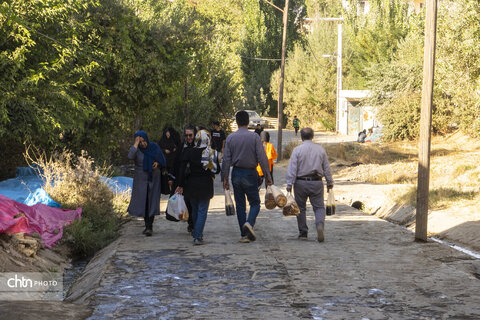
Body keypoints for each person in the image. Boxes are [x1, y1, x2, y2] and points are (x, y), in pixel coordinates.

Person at [222, 111, 272, 243]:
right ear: (248, 121)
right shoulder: (254, 137)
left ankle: (244, 235)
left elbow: (226, 160)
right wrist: (267, 175)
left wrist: (225, 178)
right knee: (255, 203)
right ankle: (249, 223)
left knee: (240, 205)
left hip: (236, 173)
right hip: (250, 173)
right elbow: (262, 158)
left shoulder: (231, 138)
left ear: (237, 122)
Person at [286, 127, 333, 243]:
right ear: (313, 137)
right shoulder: (320, 150)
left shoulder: (297, 150)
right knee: (319, 207)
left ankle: (303, 233)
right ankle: (319, 225)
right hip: (317, 182)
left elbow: (292, 168)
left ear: (301, 137)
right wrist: (329, 182)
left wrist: (289, 184)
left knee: (300, 208)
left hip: (300, 183)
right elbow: (326, 168)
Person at [175, 130, 217, 245]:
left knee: (195, 209)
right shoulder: (211, 152)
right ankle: (197, 236)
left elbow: (182, 170)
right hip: (205, 185)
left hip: (191, 185)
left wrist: (180, 184)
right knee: (203, 210)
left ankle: (196, 231)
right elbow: (215, 170)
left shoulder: (189, 151)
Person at [127, 130, 166, 236]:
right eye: (140, 142)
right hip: (141, 179)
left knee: (151, 201)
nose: (143, 144)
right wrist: (135, 143)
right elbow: (130, 156)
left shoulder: (154, 147)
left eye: (144, 141)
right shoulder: (137, 150)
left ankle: (150, 226)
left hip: (154, 177)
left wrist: (157, 163)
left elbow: (162, 160)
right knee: (143, 201)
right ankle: (147, 225)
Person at [169, 125, 196, 232]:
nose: (189, 137)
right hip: (183, 179)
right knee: (187, 201)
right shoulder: (181, 147)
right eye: (186, 135)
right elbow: (175, 162)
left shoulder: (198, 147)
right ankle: (190, 223)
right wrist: (172, 177)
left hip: (194, 178)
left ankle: (194, 224)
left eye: (190, 135)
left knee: (194, 203)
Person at [159, 128, 177, 195]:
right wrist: (164, 150)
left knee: (171, 175)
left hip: (171, 160)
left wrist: (174, 149)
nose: (168, 134)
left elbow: (176, 146)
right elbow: (159, 148)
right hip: (164, 160)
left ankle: (172, 189)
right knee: (164, 175)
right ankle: (165, 189)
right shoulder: (162, 141)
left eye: (169, 133)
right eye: (167, 133)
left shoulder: (173, 140)